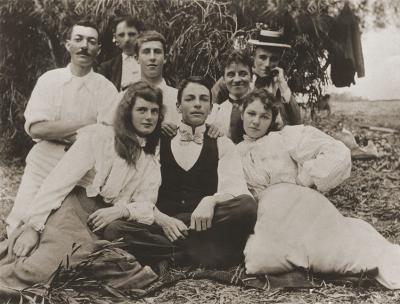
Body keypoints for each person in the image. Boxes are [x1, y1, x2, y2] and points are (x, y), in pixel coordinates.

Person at [0, 81, 163, 296]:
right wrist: (33, 227)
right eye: (142, 110)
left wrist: (120, 210)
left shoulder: (149, 157)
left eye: (154, 111)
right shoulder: (100, 137)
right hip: (73, 210)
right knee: (50, 262)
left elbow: (146, 202)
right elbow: (58, 182)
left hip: (104, 221)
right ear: (127, 112)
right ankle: (10, 283)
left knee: (111, 263)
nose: (148, 117)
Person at [236, 88, 400, 289]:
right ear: (241, 113)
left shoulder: (285, 137)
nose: (256, 121)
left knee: (340, 247)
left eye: (264, 116)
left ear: (272, 120)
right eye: (251, 114)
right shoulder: (233, 152)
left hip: (303, 203)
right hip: (267, 213)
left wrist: (304, 180)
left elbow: (338, 153)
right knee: (261, 258)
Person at [103, 76, 257, 268]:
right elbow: (140, 193)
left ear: (210, 108)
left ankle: (173, 254)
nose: (197, 104)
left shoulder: (222, 143)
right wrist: (163, 221)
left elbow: (236, 187)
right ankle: (200, 253)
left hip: (205, 224)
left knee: (247, 206)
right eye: (190, 99)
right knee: (114, 230)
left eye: (203, 99)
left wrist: (211, 200)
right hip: (163, 226)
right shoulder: (157, 140)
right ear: (178, 107)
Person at [6, 19, 120, 236]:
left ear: (98, 49)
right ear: (67, 44)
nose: (84, 46)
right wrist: (88, 126)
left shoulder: (106, 89)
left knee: (60, 228)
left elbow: (106, 136)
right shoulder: (50, 80)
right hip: (45, 157)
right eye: (78, 39)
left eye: (91, 41)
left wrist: (62, 130)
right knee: (20, 221)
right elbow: (37, 129)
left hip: (84, 168)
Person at [211, 29, 302, 129]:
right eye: (262, 57)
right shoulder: (235, 79)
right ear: (254, 56)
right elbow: (210, 111)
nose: (267, 64)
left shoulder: (277, 84)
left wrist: (283, 85)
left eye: (273, 59)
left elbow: (297, 121)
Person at [134, 30, 181, 132]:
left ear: (165, 58)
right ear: (137, 58)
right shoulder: (125, 97)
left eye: (157, 52)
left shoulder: (178, 98)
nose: (152, 57)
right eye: (146, 52)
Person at [207, 50, 253, 143]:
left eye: (243, 74)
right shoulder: (216, 112)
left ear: (251, 77)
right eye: (231, 74)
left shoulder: (262, 107)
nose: (236, 79)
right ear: (224, 79)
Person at [98, 16, 144, 91]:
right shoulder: (107, 68)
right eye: (121, 35)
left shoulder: (150, 61)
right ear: (115, 38)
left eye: (131, 34)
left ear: (139, 35)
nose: (127, 39)